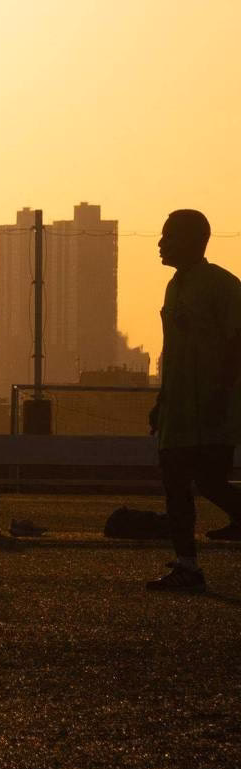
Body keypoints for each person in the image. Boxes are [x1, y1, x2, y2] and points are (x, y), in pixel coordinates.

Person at [145, 209, 241, 592]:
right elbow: (173, 349)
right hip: (177, 411)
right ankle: (188, 566)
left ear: (193, 240)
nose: (160, 244)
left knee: (212, 482)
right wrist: (162, 399)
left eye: (169, 236)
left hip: (211, 409)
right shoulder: (174, 287)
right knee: (175, 485)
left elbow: (238, 341)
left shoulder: (222, 285)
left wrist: (223, 390)